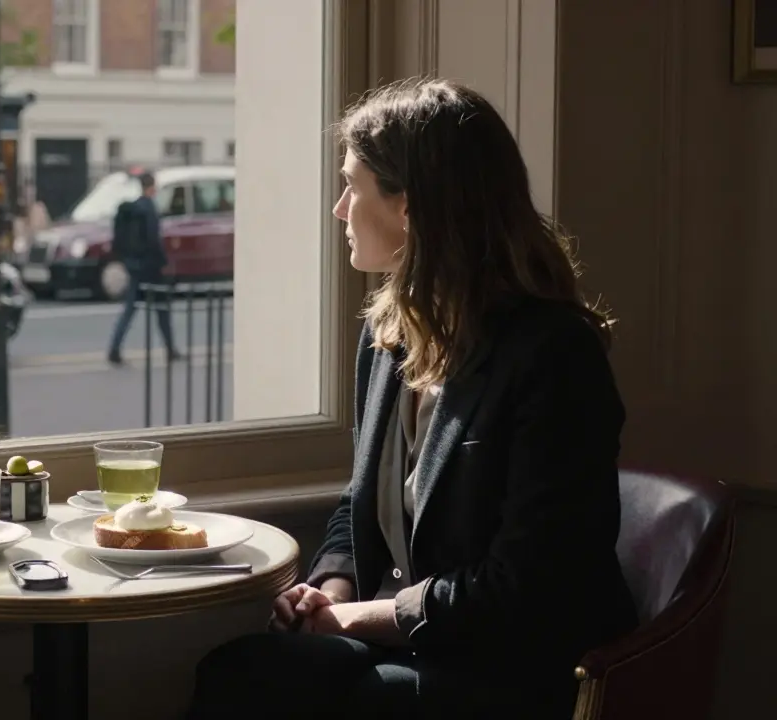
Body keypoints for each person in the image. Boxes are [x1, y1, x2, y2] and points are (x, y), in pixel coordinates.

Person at [185, 79, 637, 719]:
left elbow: (528, 587)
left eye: (353, 185)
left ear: (410, 206)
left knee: (317, 696)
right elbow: (359, 499)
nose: (340, 208)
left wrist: (354, 618)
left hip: (513, 666)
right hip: (408, 648)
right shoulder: (390, 333)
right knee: (244, 673)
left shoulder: (553, 355)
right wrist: (327, 588)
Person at [106, 172, 181, 365]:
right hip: (151, 267)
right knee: (162, 308)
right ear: (152, 187)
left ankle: (114, 348)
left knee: (130, 308)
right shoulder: (149, 209)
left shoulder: (132, 209)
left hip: (134, 265)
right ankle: (171, 348)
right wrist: (163, 263)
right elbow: (153, 240)